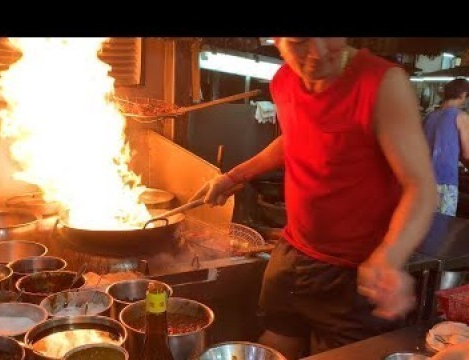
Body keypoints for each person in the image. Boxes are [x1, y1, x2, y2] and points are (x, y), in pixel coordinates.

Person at [191, 38, 438, 359]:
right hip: (293, 255)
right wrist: (234, 176)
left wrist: (390, 257)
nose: (318, 52)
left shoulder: (382, 84)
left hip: (353, 276)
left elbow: (421, 187)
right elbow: (296, 136)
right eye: (299, 41)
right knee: (273, 346)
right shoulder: (283, 82)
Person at [423, 78, 469, 217]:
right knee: (441, 226)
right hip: (445, 180)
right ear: (463, 95)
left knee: (424, 226)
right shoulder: (461, 116)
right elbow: (467, 154)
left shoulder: (430, 117)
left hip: (423, 180)